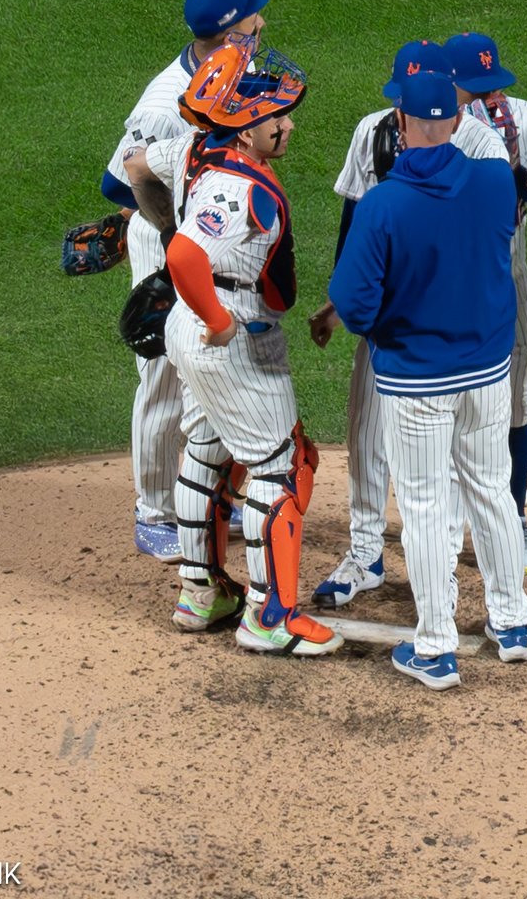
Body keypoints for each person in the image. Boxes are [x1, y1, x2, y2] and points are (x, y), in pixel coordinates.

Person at [128, 40, 341, 657]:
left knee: (210, 449)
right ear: (246, 130)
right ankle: (270, 617)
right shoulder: (235, 188)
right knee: (283, 466)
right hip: (228, 331)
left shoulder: (199, 145)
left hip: (187, 326)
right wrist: (219, 319)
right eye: (277, 116)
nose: (289, 123)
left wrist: (167, 222)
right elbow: (187, 255)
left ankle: (201, 592)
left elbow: (138, 166)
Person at [329, 70, 527, 691]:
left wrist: (399, 315)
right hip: (488, 372)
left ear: (399, 125)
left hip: (418, 380)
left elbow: (354, 306)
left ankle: (437, 646)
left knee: (421, 506)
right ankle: (511, 622)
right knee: (491, 491)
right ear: (456, 123)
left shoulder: (385, 203)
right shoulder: (495, 182)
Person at [306, 41, 508, 608]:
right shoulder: (372, 132)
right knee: (366, 431)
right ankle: (365, 551)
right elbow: (358, 218)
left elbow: (484, 246)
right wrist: (338, 306)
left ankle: (438, 570)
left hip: (444, 327)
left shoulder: (483, 145)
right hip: (387, 324)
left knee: (442, 464)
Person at [102, 0, 271, 562]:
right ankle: (153, 511)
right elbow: (117, 179)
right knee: (166, 379)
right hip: (173, 240)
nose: (261, 25)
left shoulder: (233, 76)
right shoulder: (165, 99)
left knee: (219, 370)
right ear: (227, 31)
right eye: (252, 19)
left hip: (212, 233)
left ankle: (212, 492)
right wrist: (165, 228)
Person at [443, 32, 527, 576]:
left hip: (505, 273)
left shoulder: (520, 116)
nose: (486, 97)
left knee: (517, 399)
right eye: (475, 88)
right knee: (428, 403)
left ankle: (512, 520)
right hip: (440, 278)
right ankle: (430, 523)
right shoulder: (418, 124)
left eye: (492, 86)